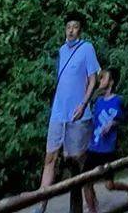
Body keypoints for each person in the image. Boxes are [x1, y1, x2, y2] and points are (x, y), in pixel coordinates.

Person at [40, 14, 101, 211]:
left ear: (80, 30)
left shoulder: (87, 48)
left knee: (80, 164)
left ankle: (91, 204)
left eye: (75, 27)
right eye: (68, 27)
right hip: (58, 114)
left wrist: (83, 104)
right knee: (50, 158)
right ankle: (41, 205)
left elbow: (93, 80)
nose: (71, 30)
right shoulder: (61, 51)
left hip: (78, 114)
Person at [88, 69, 128, 204]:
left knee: (109, 185)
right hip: (94, 145)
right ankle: (92, 206)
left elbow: (125, 119)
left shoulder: (118, 100)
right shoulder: (97, 101)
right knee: (85, 180)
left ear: (111, 82)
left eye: (103, 78)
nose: (100, 81)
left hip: (107, 148)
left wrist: (112, 123)